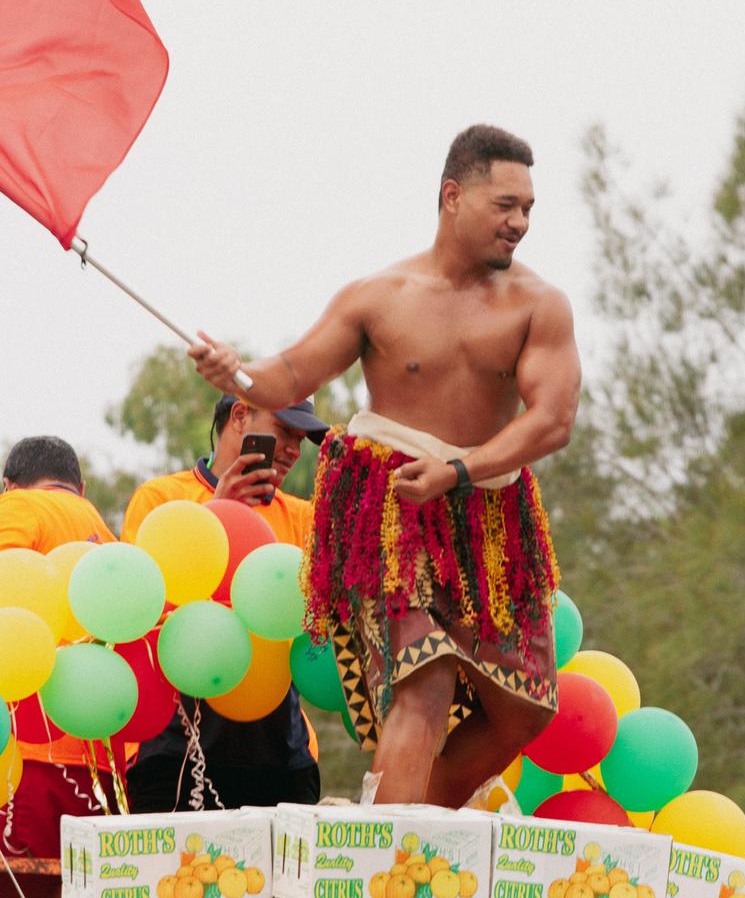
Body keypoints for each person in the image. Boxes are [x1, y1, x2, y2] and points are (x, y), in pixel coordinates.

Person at [189, 124, 582, 807]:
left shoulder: (539, 304)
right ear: (453, 196)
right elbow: (286, 374)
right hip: (391, 503)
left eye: (528, 209)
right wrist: (237, 373)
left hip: (489, 516)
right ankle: (395, 861)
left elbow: (553, 419)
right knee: (424, 679)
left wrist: (459, 472)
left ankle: (400, 821)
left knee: (525, 709)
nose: (519, 222)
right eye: (505, 205)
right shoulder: (377, 296)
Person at [121, 395, 329, 811]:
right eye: (285, 431)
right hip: (174, 750)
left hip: (279, 752)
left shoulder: (305, 517)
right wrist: (220, 509)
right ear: (239, 416)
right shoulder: (161, 499)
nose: (293, 449)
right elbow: (139, 611)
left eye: (302, 440)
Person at [0, 436, 120, 858]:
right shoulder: (108, 537)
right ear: (81, 488)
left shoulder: (18, 506)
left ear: (9, 484)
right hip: (101, 757)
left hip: (24, 750)